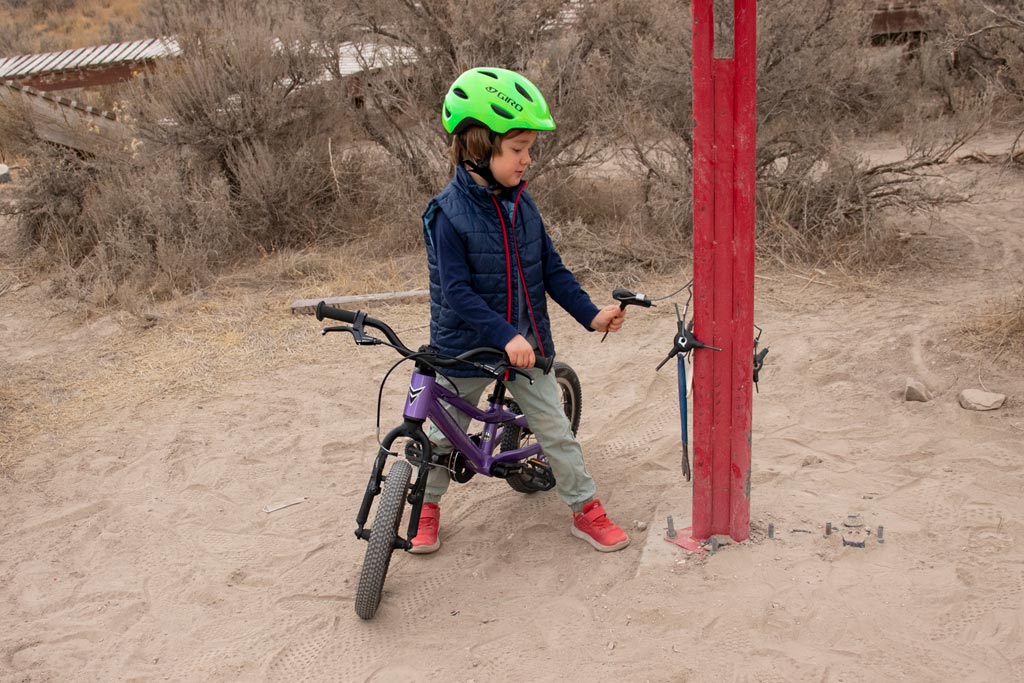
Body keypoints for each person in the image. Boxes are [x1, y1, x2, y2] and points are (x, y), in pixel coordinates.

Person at [414, 67, 630, 554]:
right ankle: (427, 507)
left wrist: (591, 315)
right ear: (477, 147)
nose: (527, 160)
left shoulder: (522, 205)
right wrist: (505, 334)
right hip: (467, 343)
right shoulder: (448, 214)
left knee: (555, 428)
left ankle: (585, 508)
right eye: (517, 150)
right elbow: (457, 291)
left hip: (524, 345)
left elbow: (550, 269)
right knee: (441, 432)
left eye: (529, 149)